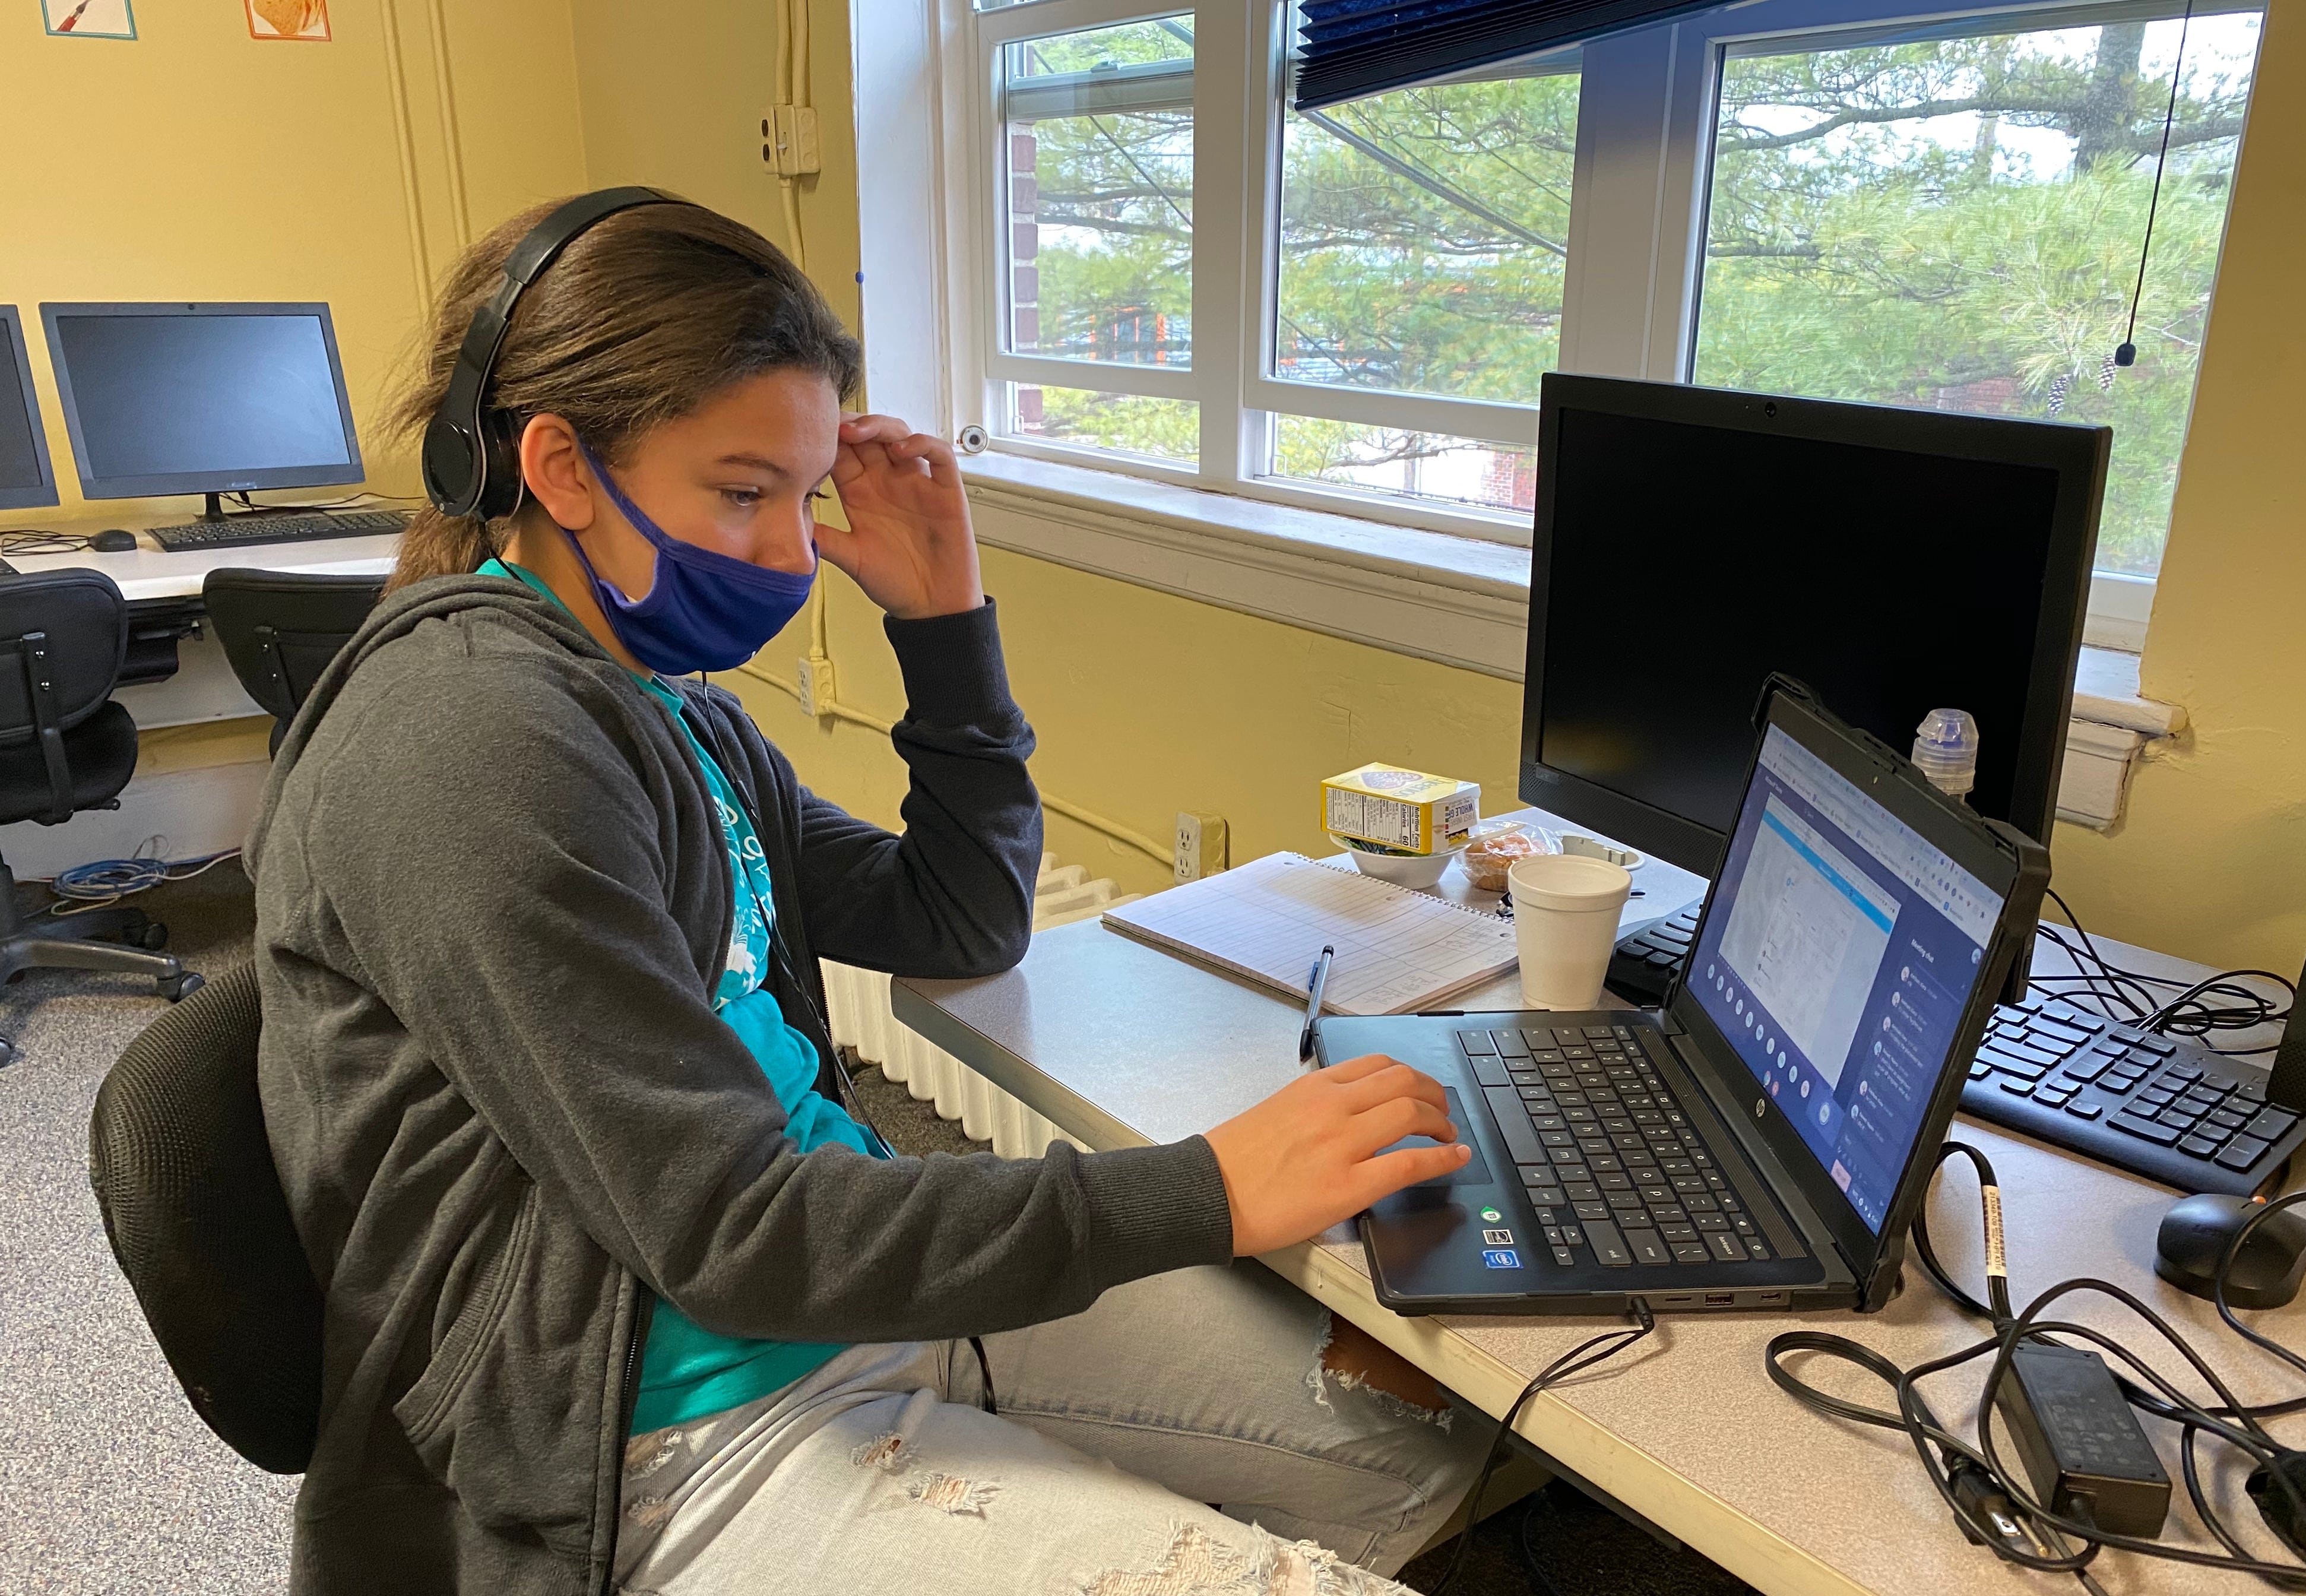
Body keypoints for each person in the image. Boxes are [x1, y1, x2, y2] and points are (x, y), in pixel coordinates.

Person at [249, 194, 1491, 1596]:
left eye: (803, 493)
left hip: (846, 1285)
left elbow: (955, 919)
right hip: (655, 1437)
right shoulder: (471, 745)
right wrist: (1205, 1193)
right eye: (741, 490)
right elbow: (735, 1233)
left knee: (1417, 1456)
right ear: (560, 465)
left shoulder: (663, 707)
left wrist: (943, 619)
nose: (790, 553)